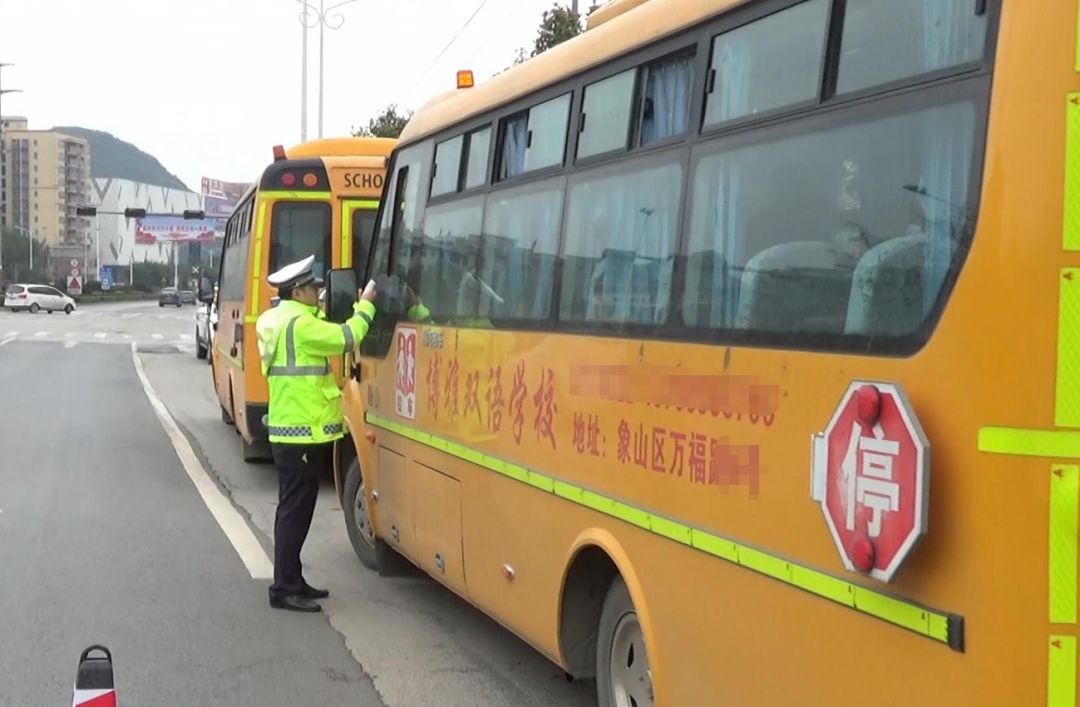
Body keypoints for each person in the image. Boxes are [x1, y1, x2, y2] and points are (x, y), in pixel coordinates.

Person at [255, 255, 377, 612]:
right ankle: (284, 588)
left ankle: (292, 579)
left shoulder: (280, 320)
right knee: (294, 512)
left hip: (289, 431)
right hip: (299, 434)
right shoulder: (301, 326)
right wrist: (365, 304)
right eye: (314, 289)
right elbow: (348, 336)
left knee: (294, 510)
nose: (319, 294)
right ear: (298, 291)